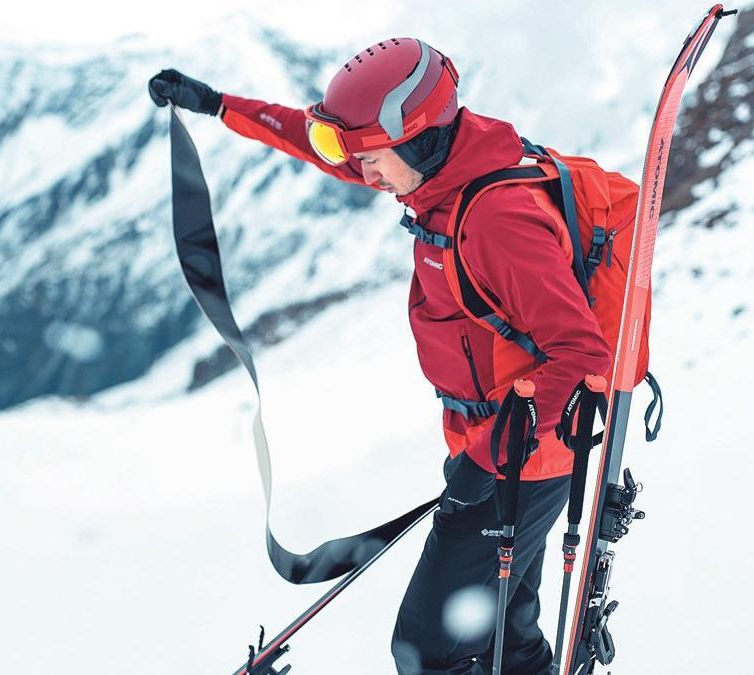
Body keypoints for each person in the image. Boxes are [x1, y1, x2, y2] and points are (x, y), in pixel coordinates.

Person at [149, 37, 610, 675]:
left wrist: (486, 459)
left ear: (419, 139)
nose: (361, 173)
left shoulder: (496, 218)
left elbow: (581, 352)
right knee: (503, 622)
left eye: (371, 156)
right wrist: (219, 105)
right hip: (498, 452)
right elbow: (323, 149)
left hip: (517, 463)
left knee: (427, 648)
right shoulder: (442, 169)